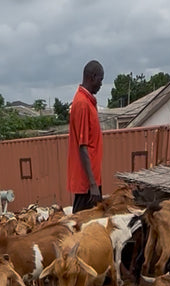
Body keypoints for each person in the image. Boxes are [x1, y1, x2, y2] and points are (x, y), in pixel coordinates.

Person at [67, 60, 104, 212]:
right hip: (87, 184)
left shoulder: (88, 102)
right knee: (80, 225)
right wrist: (92, 184)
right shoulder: (82, 104)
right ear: (91, 77)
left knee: (95, 222)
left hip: (92, 179)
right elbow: (83, 147)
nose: (101, 85)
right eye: (100, 80)